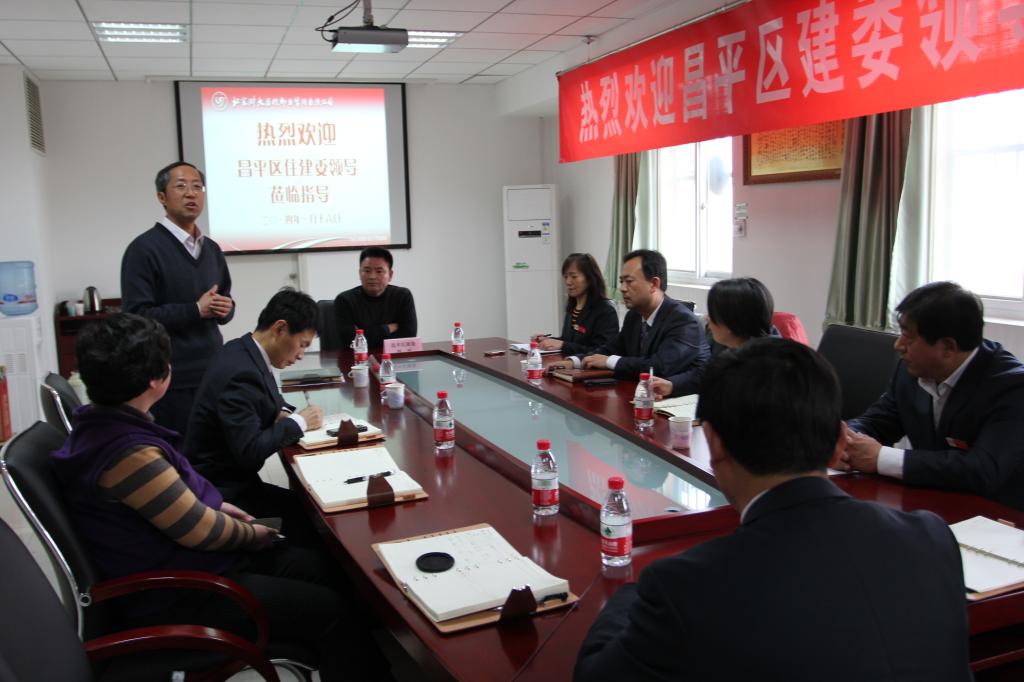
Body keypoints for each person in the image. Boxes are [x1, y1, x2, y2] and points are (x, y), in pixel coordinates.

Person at [574, 338, 971, 682]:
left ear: (714, 444)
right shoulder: (932, 538)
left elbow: (594, 674)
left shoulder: (687, 588)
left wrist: (632, 591)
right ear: (839, 442)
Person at [50, 313, 385, 681]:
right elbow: (202, 532)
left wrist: (222, 510)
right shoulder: (129, 454)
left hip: (191, 564)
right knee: (331, 608)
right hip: (182, 592)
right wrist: (256, 533)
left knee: (325, 568)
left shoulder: (102, 425)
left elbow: (181, 506)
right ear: (157, 379)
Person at [845, 281, 1024, 509]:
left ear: (948, 347)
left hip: (997, 515)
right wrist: (847, 439)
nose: (898, 345)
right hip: (929, 501)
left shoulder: (1012, 387)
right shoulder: (911, 370)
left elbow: (982, 469)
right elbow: (879, 421)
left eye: (909, 338)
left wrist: (881, 458)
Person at [185, 288, 325, 542]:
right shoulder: (241, 373)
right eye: (302, 345)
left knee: (312, 510)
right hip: (224, 493)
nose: (301, 355)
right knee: (318, 520)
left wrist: (284, 413)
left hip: (232, 481)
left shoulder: (243, 349)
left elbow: (272, 401)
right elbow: (250, 451)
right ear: (280, 328)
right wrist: (299, 421)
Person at [120, 161, 234, 437]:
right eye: (181, 186)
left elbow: (225, 299)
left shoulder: (212, 249)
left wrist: (226, 309)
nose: (191, 193)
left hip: (211, 371)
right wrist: (195, 310)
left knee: (212, 449)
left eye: (197, 187)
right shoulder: (143, 249)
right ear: (162, 197)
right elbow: (137, 317)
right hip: (170, 379)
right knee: (180, 452)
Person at [547, 249, 708, 382]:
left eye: (629, 281)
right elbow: (610, 348)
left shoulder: (684, 321)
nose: (623, 288)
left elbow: (659, 366)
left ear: (654, 284)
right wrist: (574, 361)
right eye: (621, 281)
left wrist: (609, 361)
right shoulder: (634, 316)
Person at [652, 276, 775, 398]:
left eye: (712, 313)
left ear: (731, 321)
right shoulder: (722, 341)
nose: (707, 318)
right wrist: (672, 385)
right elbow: (704, 373)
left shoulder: (772, 365)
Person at [532, 253, 619, 355]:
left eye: (574, 276)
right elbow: (569, 341)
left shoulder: (605, 311)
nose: (568, 282)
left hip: (589, 365)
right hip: (568, 363)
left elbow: (602, 351)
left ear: (589, 278)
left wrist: (563, 345)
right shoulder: (572, 307)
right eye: (565, 277)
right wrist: (547, 340)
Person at [334, 246, 417, 349]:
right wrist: (388, 328)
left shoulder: (403, 296)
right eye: (367, 271)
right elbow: (351, 341)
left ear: (390, 275)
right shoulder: (344, 300)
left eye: (379, 271)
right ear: (359, 273)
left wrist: (365, 335)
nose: (372, 276)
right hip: (357, 358)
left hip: (394, 357)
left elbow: (408, 338)